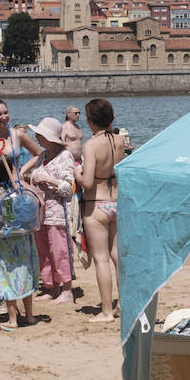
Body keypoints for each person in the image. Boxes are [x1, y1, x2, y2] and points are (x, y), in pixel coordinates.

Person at [0, 96, 42, 280]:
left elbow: (38, 154)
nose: (4, 117)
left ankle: (17, 278)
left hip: (14, 193)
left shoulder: (17, 135)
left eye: (5, 112)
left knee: (17, 235)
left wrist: (22, 172)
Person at [77, 97, 127, 322]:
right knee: (117, 256)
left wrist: (75, 173)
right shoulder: (120, 140)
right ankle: (123, 305)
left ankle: (106, 310)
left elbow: (87, 182)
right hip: (116, 201)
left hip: (95, 205)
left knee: (101, 259)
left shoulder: (90, 145)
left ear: (90, 121)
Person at [0, 151, 40, 331]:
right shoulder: (20, 185)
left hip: (5, 239)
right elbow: (40, 203)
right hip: (24, 236)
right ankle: (30, 316)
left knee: (7, 276)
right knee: (25, 273)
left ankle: (13, 319)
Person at [28, 116, 78, 304]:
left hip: (58, 212)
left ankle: (66, 289)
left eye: (40, 135)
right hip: (41, 213)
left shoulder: (65, 156)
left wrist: (48, 180)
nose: (37, 137)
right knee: (44, 250)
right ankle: (51, 286)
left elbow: (68, 188)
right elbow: (35, 176)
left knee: (60, 250)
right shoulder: (43, 155)